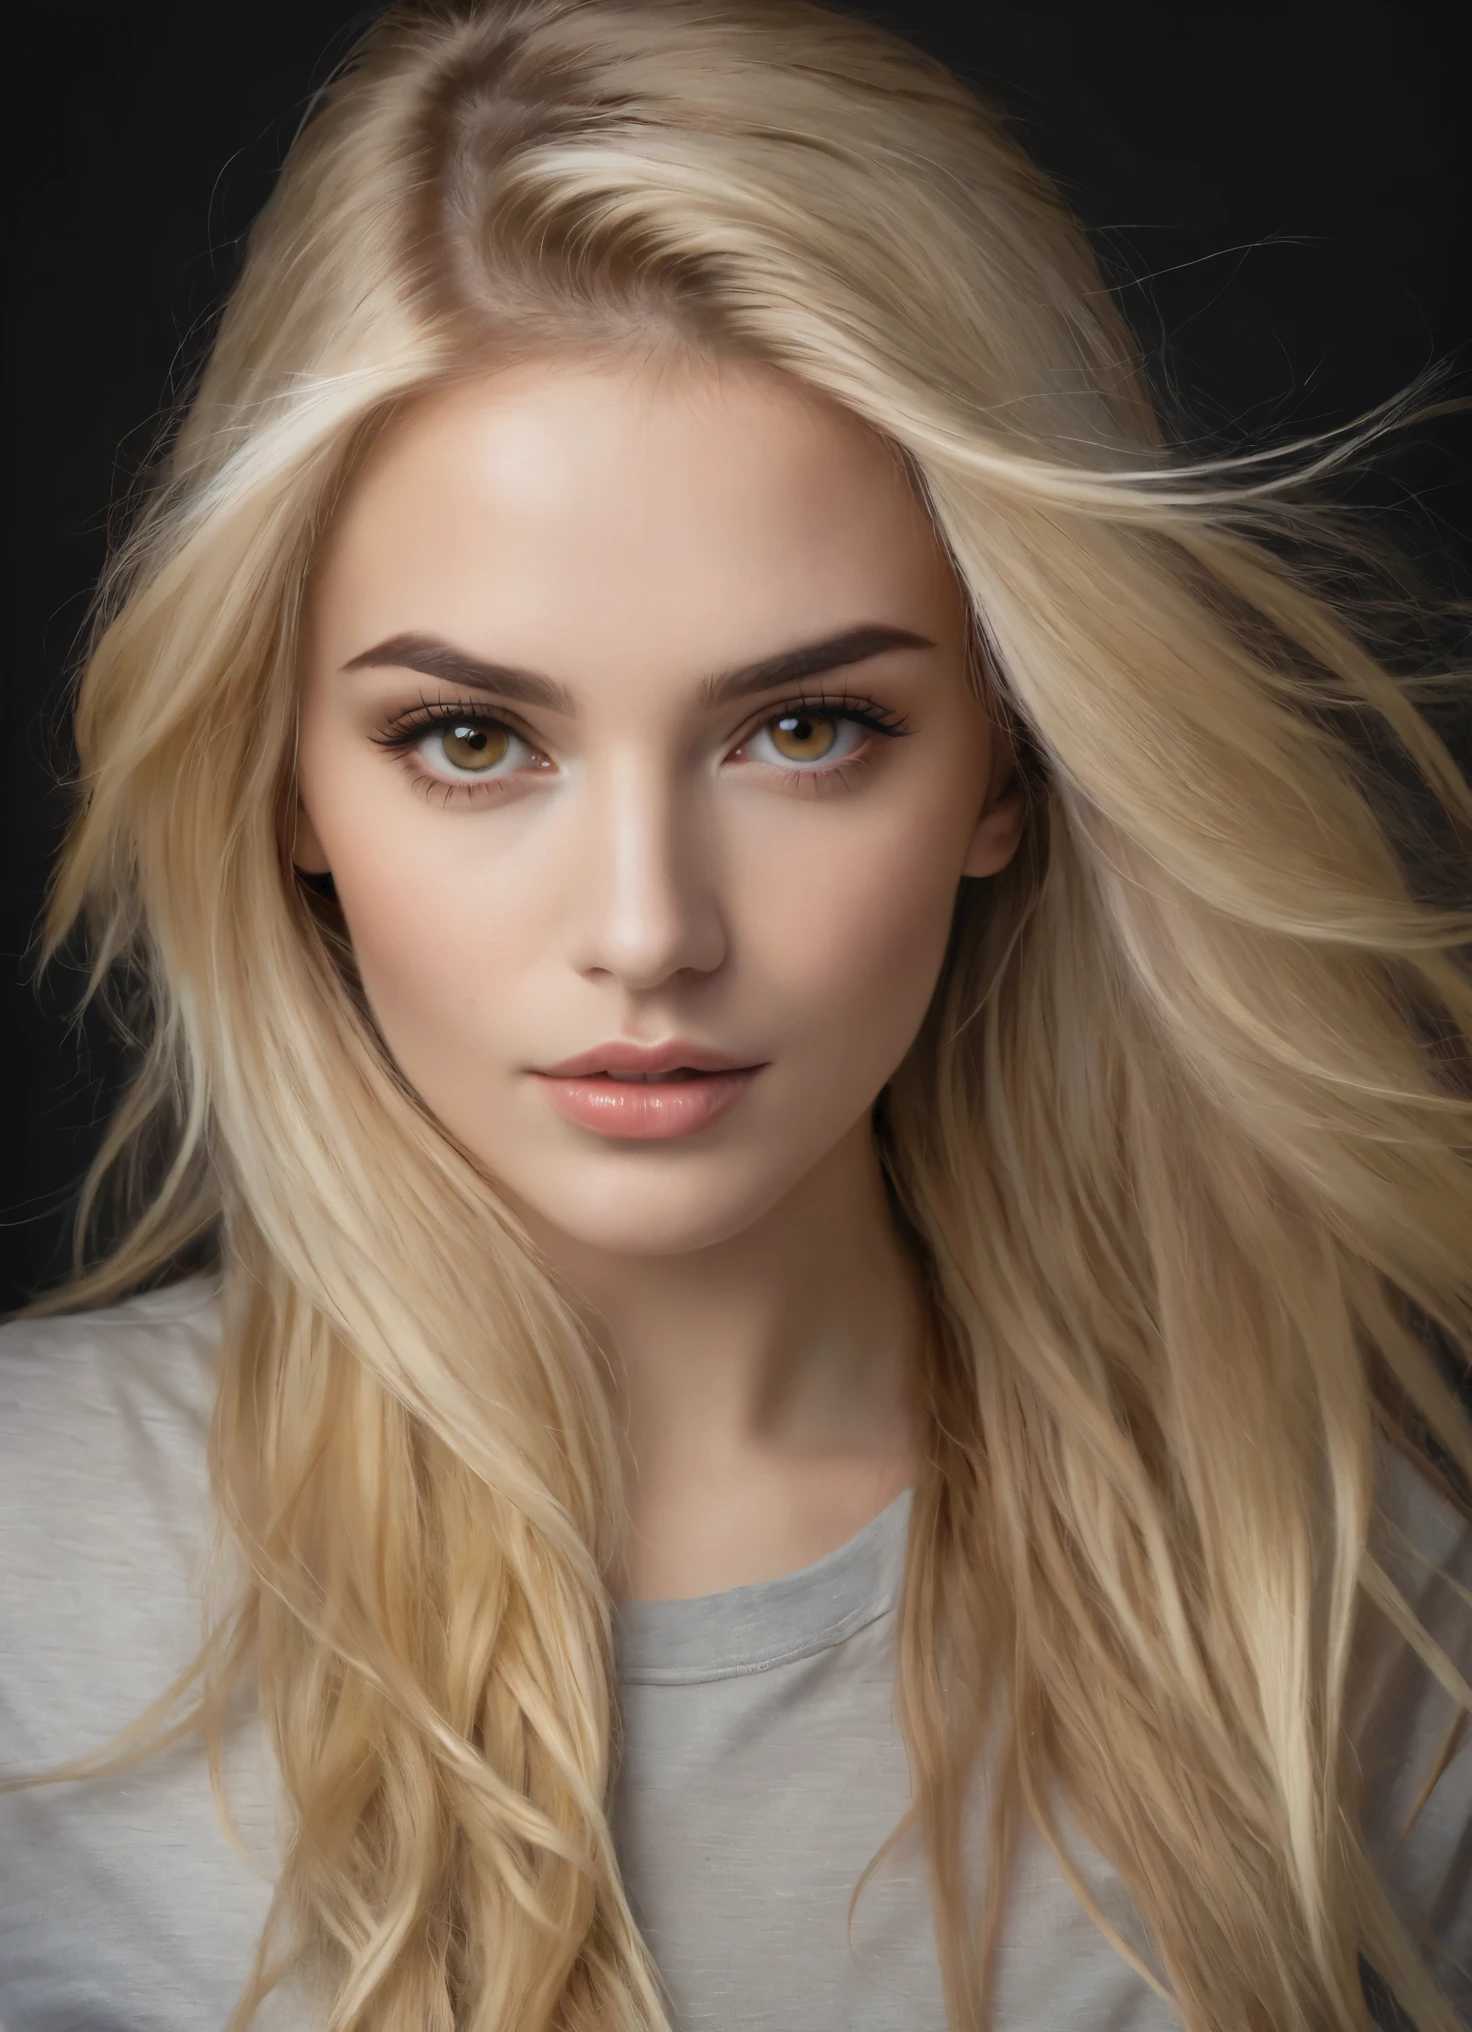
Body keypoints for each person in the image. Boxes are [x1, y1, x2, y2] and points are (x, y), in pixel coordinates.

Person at [2, 1, 1470, 2027]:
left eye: (804, 726)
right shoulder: (27, 1566)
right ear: (280, 781)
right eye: (470, 735)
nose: (646, 928)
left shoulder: (1348, 1635)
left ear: (1005, 767)